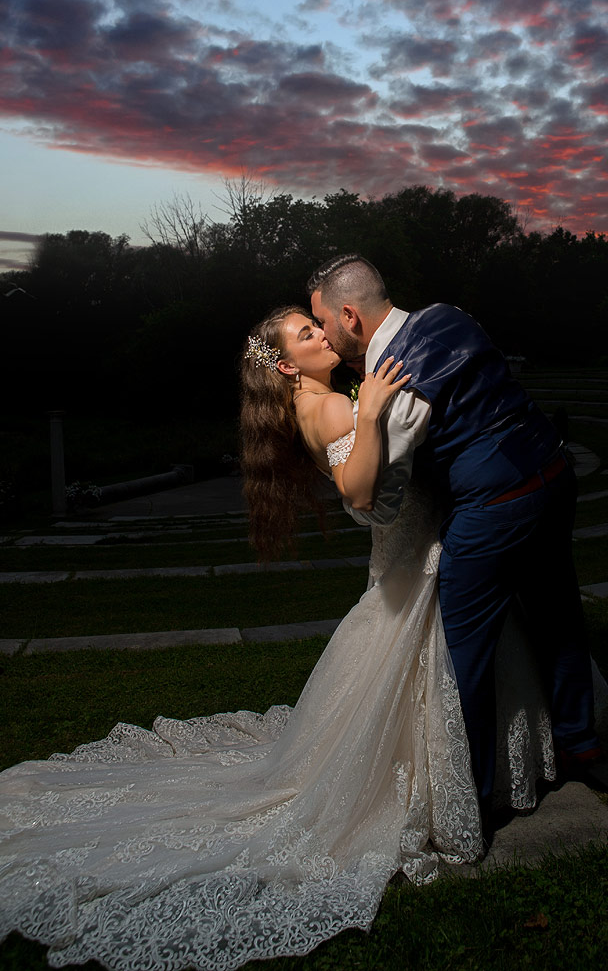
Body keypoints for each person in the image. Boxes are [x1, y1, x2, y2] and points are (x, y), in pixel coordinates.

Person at [0, 305, 555, 969]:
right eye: (307, 332)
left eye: (315, 324)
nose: (324, 335)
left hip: (418, 553)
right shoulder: (324, 409)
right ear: (288, 365)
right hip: (414, 561)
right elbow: (360, 495)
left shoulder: (323, 396)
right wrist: (376, 410)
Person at [308, 255, 600, 827]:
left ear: (350, 315)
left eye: (324, 322)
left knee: (461, 654)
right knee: (558, 613)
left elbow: (380, 500)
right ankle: (580, 743)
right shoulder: (450, 315)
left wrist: (369, 427)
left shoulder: (392, 380)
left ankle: (471, 800)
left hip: (494, 508)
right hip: (553, 472)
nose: (326, 336)